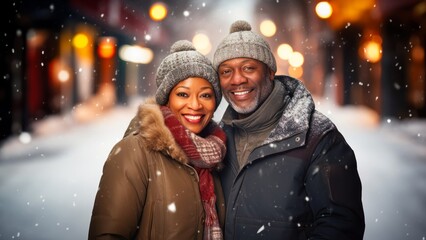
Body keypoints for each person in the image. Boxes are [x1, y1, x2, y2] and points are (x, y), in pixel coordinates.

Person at [212, 20, 365, 240]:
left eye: (248, 68)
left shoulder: (317, 137)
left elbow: (340, 224)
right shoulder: (217, 140)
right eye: (226, 71)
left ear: (270, 72)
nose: (237, 79)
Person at [88, 40, 226, 240]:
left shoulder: (217, 153)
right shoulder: (134, 152)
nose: (195, 105)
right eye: (182, 94)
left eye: (205, 95)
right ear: (166, 99)